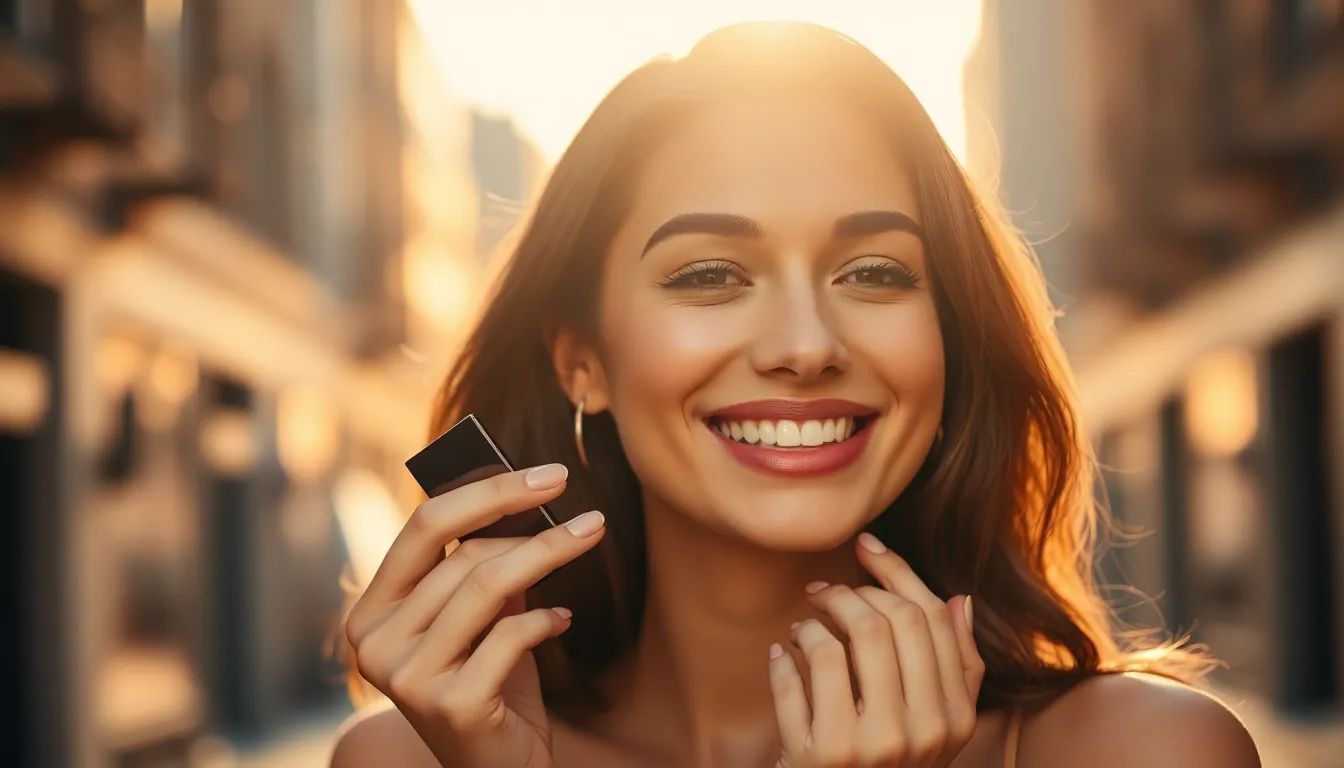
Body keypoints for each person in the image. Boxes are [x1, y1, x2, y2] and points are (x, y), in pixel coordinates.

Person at [331, 21, 1261, 768]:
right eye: (707, 276)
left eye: (873, 272)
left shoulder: (1149, 752)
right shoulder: (417, 757)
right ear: (582, 360)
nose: (807, 347)